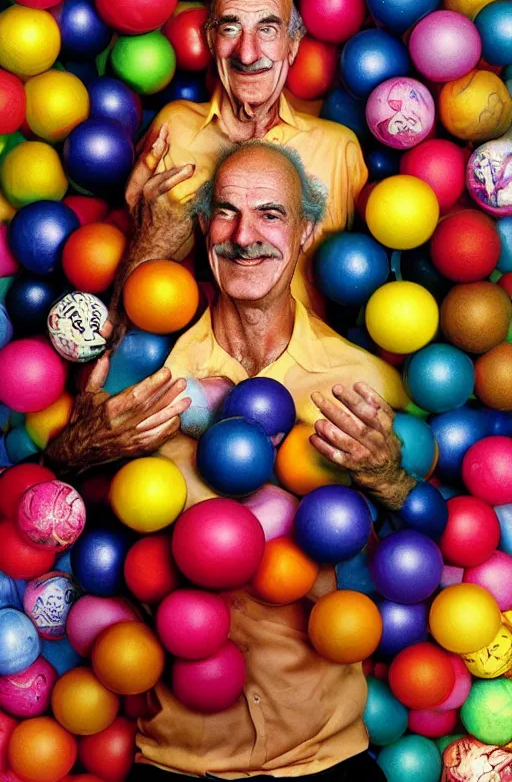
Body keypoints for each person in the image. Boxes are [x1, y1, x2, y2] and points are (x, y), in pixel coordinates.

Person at [46, 142, 415, 782]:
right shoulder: (148, 373)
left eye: (271, 215)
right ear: (203, 228)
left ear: (305, 233)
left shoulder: (361, 381)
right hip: (177, 759)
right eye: (226, 213)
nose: (246, 236)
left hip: (325, 760)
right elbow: (39, 499)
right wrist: (80, 448)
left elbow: (429, 542)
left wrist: (391, 479)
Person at [111, 0, 367, 322]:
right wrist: (145, 236)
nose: (247, 54)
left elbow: (363, 283)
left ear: (292, 45)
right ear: (210, 40)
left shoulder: (339, 148)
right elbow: (144, 296)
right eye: (230, 28)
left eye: (268, 30)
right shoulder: (175, 130)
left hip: (311, 369)